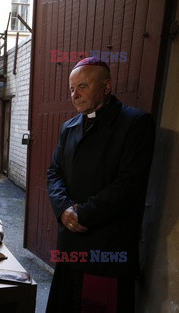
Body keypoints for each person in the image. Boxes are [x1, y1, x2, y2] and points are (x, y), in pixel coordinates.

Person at [46, 57, 155, 312]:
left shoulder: (135, 124)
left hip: (107, 247)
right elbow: (54, 172)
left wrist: (81, 213)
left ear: (106, 87)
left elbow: (128, 185)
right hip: (71, 244)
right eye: (72, 89)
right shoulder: (69, 127)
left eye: (82, 86)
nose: (75, 94)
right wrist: (63, 209)